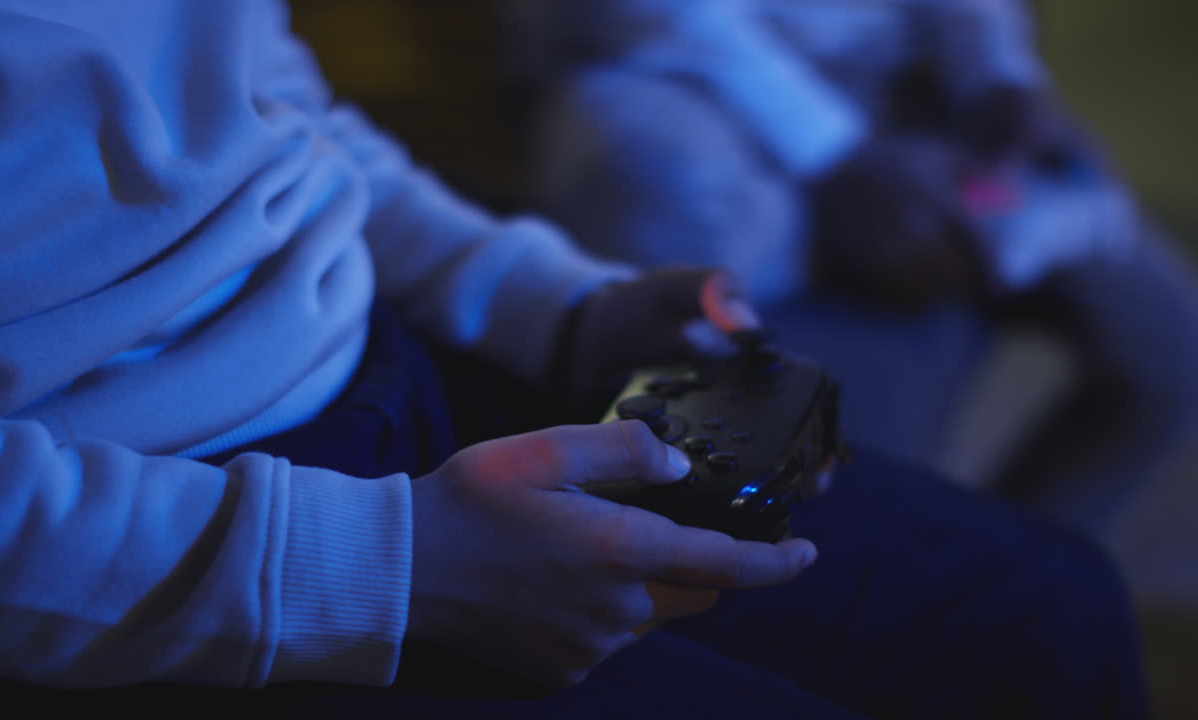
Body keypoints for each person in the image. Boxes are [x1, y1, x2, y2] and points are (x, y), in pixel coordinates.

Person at [0, 1, 1150, 717]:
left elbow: (279, 120)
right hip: (143, 507)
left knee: (1053, 605)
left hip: (384, 358)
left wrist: (557, 310)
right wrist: (396, 571)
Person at [505, 0, 1198, 535]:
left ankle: (998, 598)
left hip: (899, 83)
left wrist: (1000, 77)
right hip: (671, 78)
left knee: (1172, 349)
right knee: (828, 494)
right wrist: (835, 153)